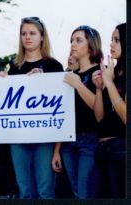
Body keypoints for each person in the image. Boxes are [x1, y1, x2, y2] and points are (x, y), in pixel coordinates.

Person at [0, 17, 63, 199]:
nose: (27, 37)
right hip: (18, 138)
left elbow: (61, 108)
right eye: (24, 33)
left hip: (45, 138)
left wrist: (44, 80)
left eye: (32, 33)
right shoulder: (15, 67)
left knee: (45, 191)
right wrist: (1, 83)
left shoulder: (54, 66)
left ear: (42, 36)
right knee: (25, 191)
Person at [52, 25, 103, 198]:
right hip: (67, 142)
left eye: (78, 40)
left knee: (85, 194)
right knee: (76, 193)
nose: (73, 44)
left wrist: (78, 84)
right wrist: (57, 149)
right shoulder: (69, 75)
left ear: (91, 45)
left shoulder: (99, 72)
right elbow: (62, 113)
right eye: (71, 40)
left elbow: (99, 111)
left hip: (89, 141)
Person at [92, 23, 126, 198]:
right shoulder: (113, 73)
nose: (111, 44)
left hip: (121, 149)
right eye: (111, 40)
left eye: (117, 40)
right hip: (101, 149)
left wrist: (109, 83)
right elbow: (99, 117)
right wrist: (100, 88)